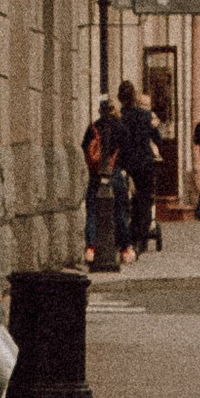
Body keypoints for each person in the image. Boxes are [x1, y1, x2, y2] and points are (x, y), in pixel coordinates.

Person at [117, 80, 163, 257]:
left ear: (120, 98)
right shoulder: (145, 115)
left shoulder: (120, 117)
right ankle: (140, 238)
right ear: (134, 96)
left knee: (125, 199)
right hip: (144, 162)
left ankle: (126, 236)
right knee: (144, 199)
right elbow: (157, 138)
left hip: (126, 163)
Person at [82, 95, 123, 272]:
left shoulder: (93, 127)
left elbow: (84, 147)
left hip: (95, 174)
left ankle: (91, 247)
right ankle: (124, 247)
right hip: (114, 172)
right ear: (113, 110)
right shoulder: (119, 127)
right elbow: (126, 147)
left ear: (99, 111)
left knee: (92, 210)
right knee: (119, 209)